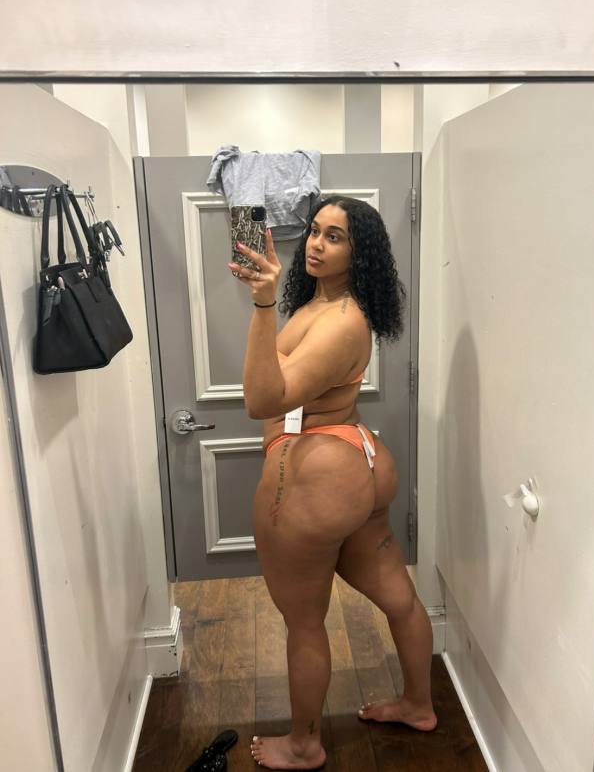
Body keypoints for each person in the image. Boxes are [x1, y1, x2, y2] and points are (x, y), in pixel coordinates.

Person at [227, 196, 438, 771]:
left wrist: (262, 303)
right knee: (397, 596)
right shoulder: (321, 306)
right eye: (315, 231)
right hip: (355, 461)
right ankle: (419, 706)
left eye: (335, 237)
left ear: (359, 252)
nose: (317, 244)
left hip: (322, 474)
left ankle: (304, 744)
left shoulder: (343, 321)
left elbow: (263, 400)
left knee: (303, 622)